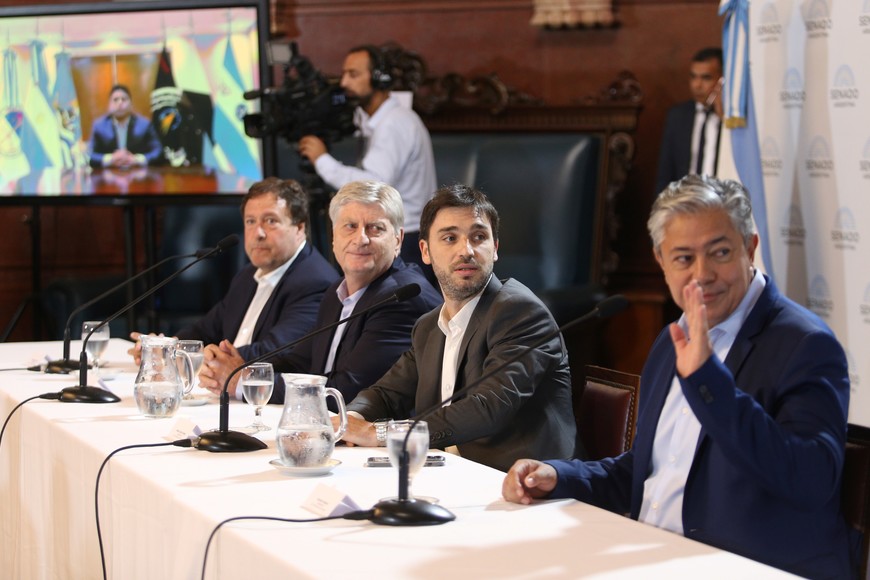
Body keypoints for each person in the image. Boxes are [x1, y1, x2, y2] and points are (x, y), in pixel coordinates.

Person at [502, 175, 857, 578]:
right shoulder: (673, 338)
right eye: (684, 258)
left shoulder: (806, 345)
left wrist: (709, 381)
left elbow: (809, 481)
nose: (701, 274)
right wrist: (560, 475)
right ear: (661, 262)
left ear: (750, 248)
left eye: (719, 252)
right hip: (645, 555)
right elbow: (646, 470)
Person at [337, 184, 577, 472]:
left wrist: (377, 433)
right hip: (452, 475)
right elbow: (387, 394)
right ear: (425, 251)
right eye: (450, 238)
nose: (467, 251)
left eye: (479, 237)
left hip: (521, 485)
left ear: (495, 248)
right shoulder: (429, 326)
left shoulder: (521, 313)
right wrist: (346, 421)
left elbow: (488, 408)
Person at [198, 180, 442, 405]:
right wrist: (240, 366)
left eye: (375, 228)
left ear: (398, 240)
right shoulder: (337, 292)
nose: (361, 238)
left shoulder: (402, 298)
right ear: (334, 237)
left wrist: (244, 381)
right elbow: (301, 361)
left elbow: (346, 391)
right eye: (350, 226)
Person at [128, 177, 339, 365]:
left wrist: (192, 357)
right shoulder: (247, 275)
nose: (258, 233)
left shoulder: (315, 282)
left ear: (299, 228)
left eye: (271, 221)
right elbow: (205, 330)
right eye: (250, 221)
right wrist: (165, 348)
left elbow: (275, 350)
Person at [297, 45, 437, 273]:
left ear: (379, 79)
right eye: (344, 74)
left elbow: (373, 186)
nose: (343, 83)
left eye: (353, 74)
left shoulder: (395, 122)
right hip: (396, 234)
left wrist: (321, 159)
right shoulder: (377, 119)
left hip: (406, 241)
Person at [655, 48, 723, 193]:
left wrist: (723, 116)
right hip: (685, 203)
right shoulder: (678, 116)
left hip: (721, 203)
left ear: (721, 81)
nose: (697, 85)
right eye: (693, 77)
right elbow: (665, 173)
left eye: (706, 78)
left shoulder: (731, 121)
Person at [89, 84, 163, 169]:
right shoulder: (99, 126)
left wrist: (136, 159)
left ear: (131, 104)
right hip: (109, 175)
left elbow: (159, 152)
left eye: (124, 99)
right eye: (115, 100)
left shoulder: (144, 125)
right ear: (109, 105)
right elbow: (90, 155)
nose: (120, 103)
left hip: (138, 175)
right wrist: (111, 158)